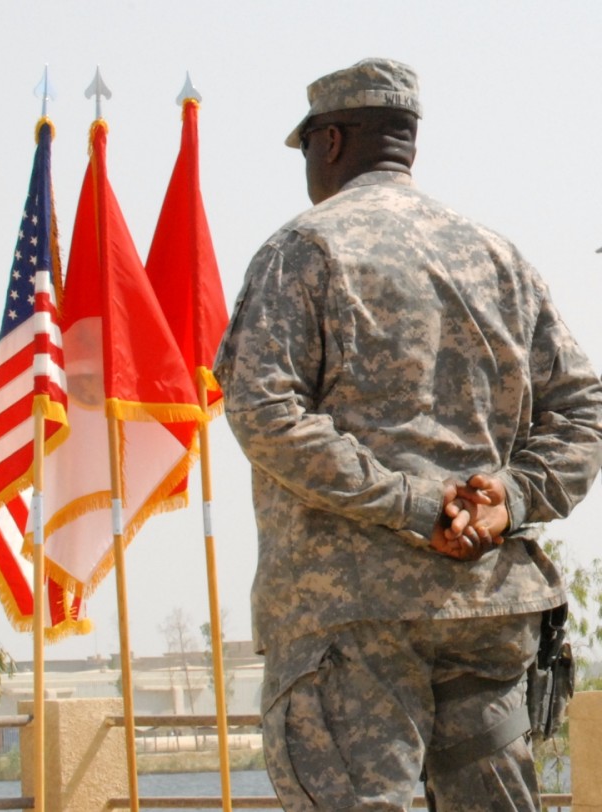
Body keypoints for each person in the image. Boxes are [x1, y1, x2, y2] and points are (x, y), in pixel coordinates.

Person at [214, 58, 602, 812]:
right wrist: (509, 499)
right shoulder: (500, 259)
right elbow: (584, 408)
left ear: (329, 142)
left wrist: (413, 504)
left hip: (351, 616)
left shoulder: (306, 248)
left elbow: (264, 409)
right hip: (485, 608)